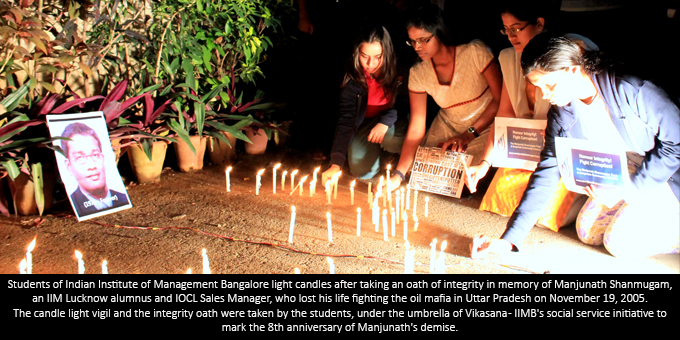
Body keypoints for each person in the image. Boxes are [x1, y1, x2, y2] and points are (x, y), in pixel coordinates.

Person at [471, 35, 680, 259]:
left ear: (572, 70)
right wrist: (509, 239)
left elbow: (676, 144)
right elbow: (549, 168)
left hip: (665, 171)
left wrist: (630, 189)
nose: (545, 95)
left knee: (617, 242)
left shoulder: (631, 90)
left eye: (549, 84)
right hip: (628, 166)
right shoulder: (561, 111)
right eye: (538, 87)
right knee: (588, 231)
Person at [466, 3, 597, 230]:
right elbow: (504, 115)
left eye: (516, 28)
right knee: (500, 203)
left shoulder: (562, 60)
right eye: (506, 30)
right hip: (523, 152)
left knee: (545, 217)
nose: (511, 36)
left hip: (559, 152)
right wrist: (485, 163)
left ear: (540, 24)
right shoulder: (508, 58)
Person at [386, 3, 502, 190]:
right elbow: (416, 128)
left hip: (484, 126)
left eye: (424, 40)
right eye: (412, 41)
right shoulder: (418, 73)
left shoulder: (474, 53)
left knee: (463, 180)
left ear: (439, 32)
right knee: (426, 178)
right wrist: (398, 175)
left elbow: (501, 100)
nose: (417, 47)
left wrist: (468, 134)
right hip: (447, 127)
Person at [322, 25, 407, 183]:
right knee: (361, 171)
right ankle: (377, 164)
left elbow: (405, 105)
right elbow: (346, 121)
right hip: (365, 124)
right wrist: (335, 164)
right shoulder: (351, 79)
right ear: (357, 53)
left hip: (393, 121)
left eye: (378, 56)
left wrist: (386, 121)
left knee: (392, 140)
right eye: (364, 56)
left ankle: (401, 164)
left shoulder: (397, 70)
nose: (371, 63)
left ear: (386, 53)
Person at [61, 122, 130, 217]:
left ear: (103, 159)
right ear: (69, 166)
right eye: (80, 158)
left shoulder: (122, 198)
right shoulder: (77, 204)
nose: (91, 166)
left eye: (95, 155)